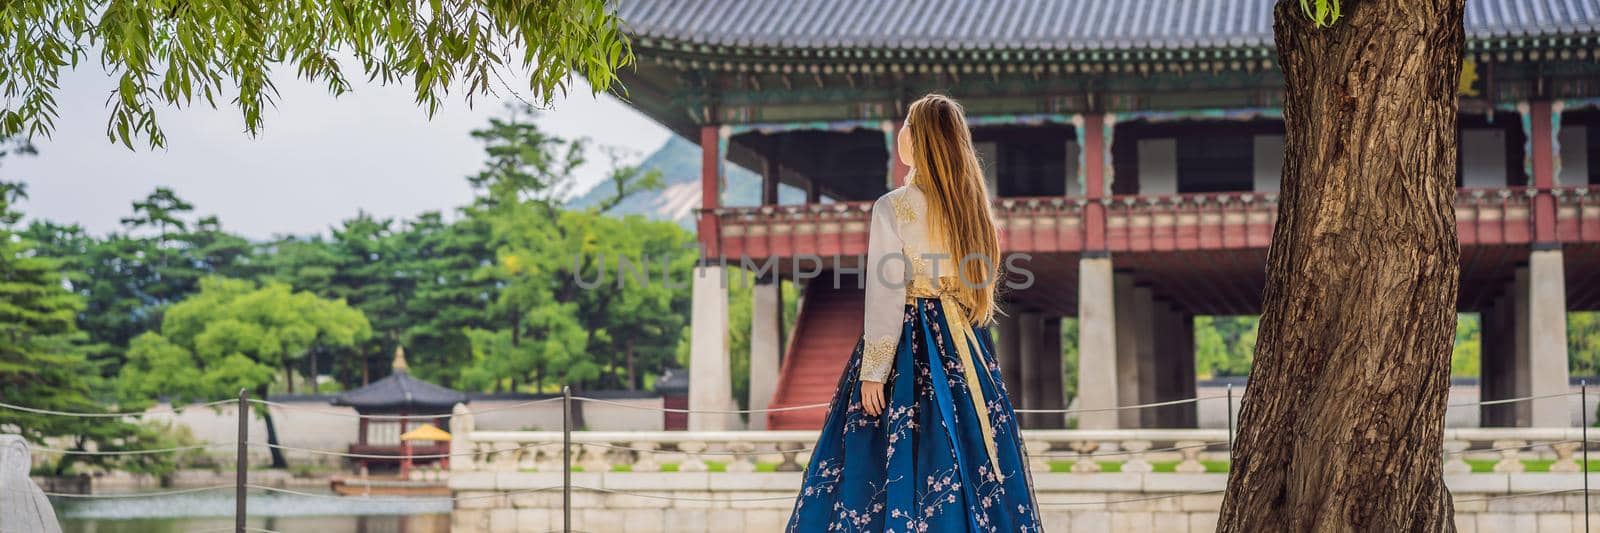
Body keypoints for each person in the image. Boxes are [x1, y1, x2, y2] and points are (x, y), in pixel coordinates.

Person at [786, 94, 1041, 532]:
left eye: (906, 123)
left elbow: (886, 292)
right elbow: (978, 283)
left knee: (886, 457)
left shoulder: (894, 206)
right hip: (965, 343)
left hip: (908, 341)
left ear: (918, 137)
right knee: (967, 452)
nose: (901, 131)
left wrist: (874, 370)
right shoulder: (972, 208)